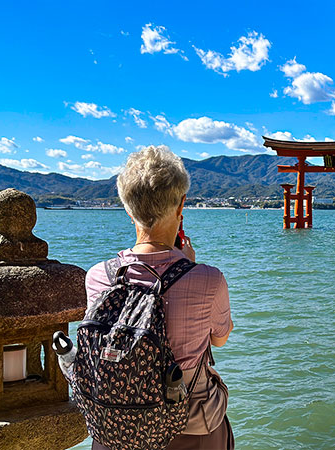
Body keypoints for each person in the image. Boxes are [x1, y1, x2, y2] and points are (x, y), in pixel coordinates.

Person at [85, 145, 234, 450]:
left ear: (128, 208)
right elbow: (219, 339)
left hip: (116, 426)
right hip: (191, 424)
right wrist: (188, 267)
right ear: (182, 206)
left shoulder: (98, 276)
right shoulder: (209, 279)